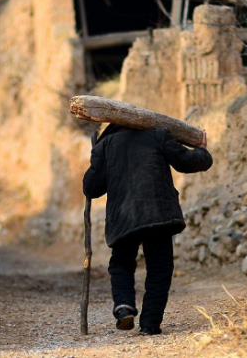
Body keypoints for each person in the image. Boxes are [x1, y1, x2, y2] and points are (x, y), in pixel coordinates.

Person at [82, 124, 213, 336]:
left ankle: (124, 307)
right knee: (159, 268)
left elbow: (91, 188)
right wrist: (202, 151)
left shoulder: (105, 144)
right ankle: (150, 324)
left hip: (124, 218)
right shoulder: (159, 134)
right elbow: (186, 162)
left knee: (121, 264)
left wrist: (96, 156)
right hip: (158, 213)